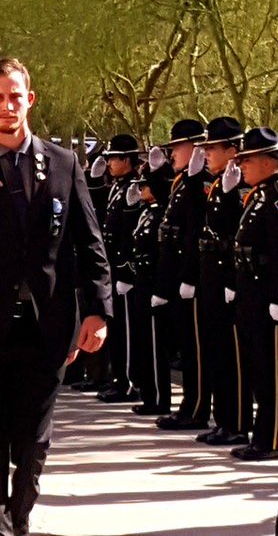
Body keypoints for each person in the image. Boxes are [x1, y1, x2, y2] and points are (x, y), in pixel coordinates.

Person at [0, 58, 110, 536]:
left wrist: (98, 309)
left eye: (15, 96)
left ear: (29, 99)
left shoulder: (63, 163)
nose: (7, 106)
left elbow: (88, 242)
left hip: (46, 325)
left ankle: (19, 518)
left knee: (32, 438)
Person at [231, 127, 278, 461]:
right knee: (260, 369)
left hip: (272, 296)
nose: (242, 165)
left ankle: (275, 439)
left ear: (268, 160)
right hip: (254, 293)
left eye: (247, 159)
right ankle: (263, 436)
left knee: (274, 372)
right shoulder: (260, 194)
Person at [193, 117, 251, 446]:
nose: (208, 155)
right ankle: (224, 419)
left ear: (233, 150)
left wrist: (230, 279)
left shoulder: (239, 184)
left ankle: (238, 422)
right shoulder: (219, 181)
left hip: (229, 279)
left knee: (232, 357)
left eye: (212, 148)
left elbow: (237, 234)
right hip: (211, 277)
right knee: (216, 351)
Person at [152, 119, 213, 432]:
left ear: (196, 147)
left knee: (196, 347)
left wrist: (189, 275)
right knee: (186, 345)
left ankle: (198, 407)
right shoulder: (182, 180)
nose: (173, 152)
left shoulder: (201, 181)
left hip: (193, 274)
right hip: (176, 272)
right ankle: (189, 404)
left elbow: (195, 229)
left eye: (178, 147)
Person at [96, 134, 143, 404]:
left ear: (127, 160)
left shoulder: (134, 187)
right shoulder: (117, 186)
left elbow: (130, 232)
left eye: (114, 158)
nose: (110, 163)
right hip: (113, 264)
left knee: (126, 329)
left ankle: (128, 381)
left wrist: (126, 268)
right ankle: (119, 379)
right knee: (117, 327)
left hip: (125, 267)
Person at [128, 150, 174, 416]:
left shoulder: (160, 211)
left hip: (155, 281)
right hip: (141, 280)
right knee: (143, 339)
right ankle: (148, 393)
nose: (142, 190)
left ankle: (159, 397)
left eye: (145, 186)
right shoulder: (146, 212)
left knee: (156, 344)